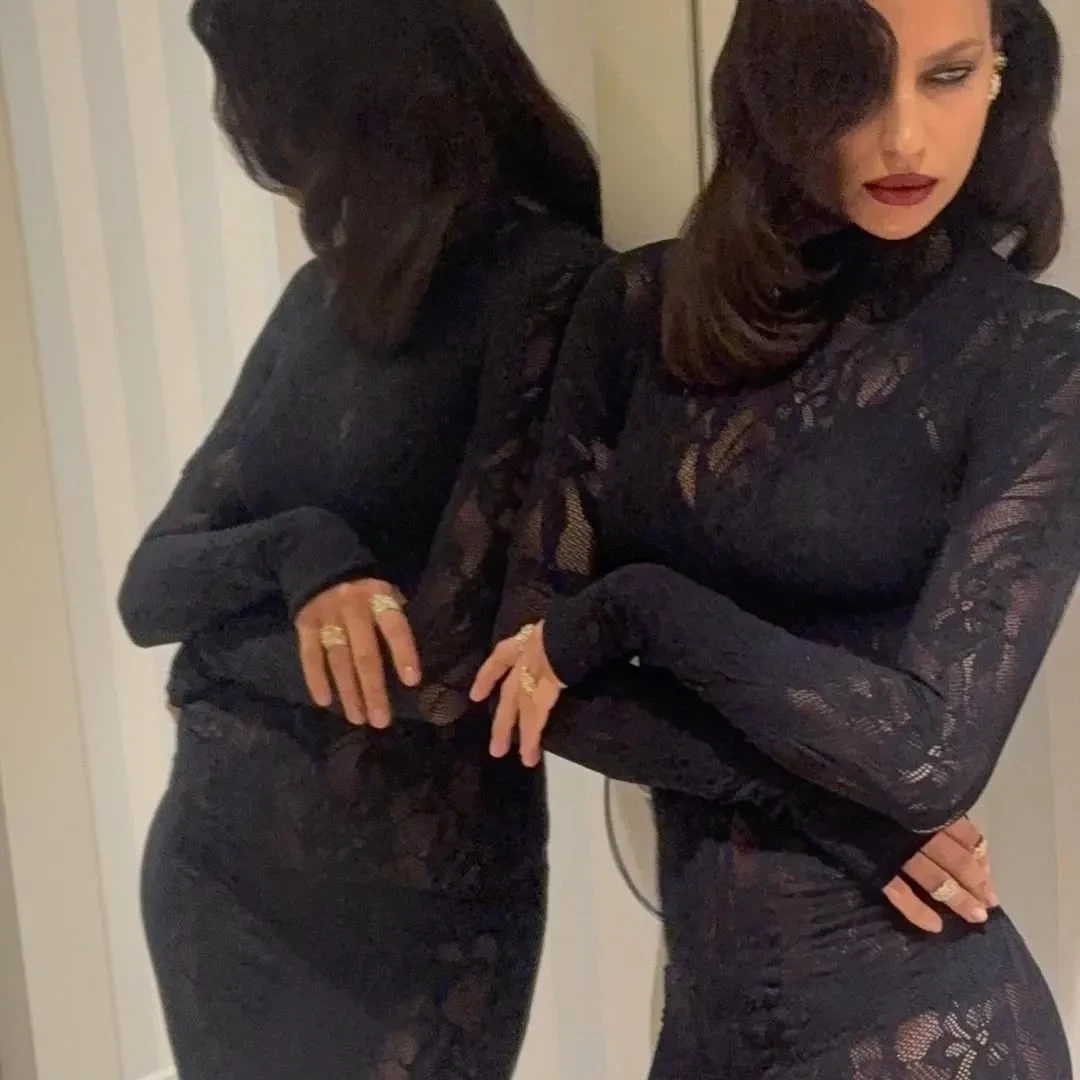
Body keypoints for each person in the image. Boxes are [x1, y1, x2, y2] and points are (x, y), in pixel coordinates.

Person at [473, 0, 1076, 1075]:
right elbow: (528, 685)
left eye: (945, 76)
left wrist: (636, 609)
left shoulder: (1035, 353)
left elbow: (927, 758)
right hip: (704, 1029)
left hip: (919, 1034)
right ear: (779, 82)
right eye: (855, 81)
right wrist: (824, 805)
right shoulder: (638, 308)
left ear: (999, 71)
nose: (903, 136)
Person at [118, 1, 609, 1076]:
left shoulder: (550, 283)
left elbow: (442, 666)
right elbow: (149, 591)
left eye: (255, 93)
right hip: (216, 881)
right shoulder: (319, 300)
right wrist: (302, 552)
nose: (248, 128)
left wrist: (212, 666)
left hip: (420, 913)